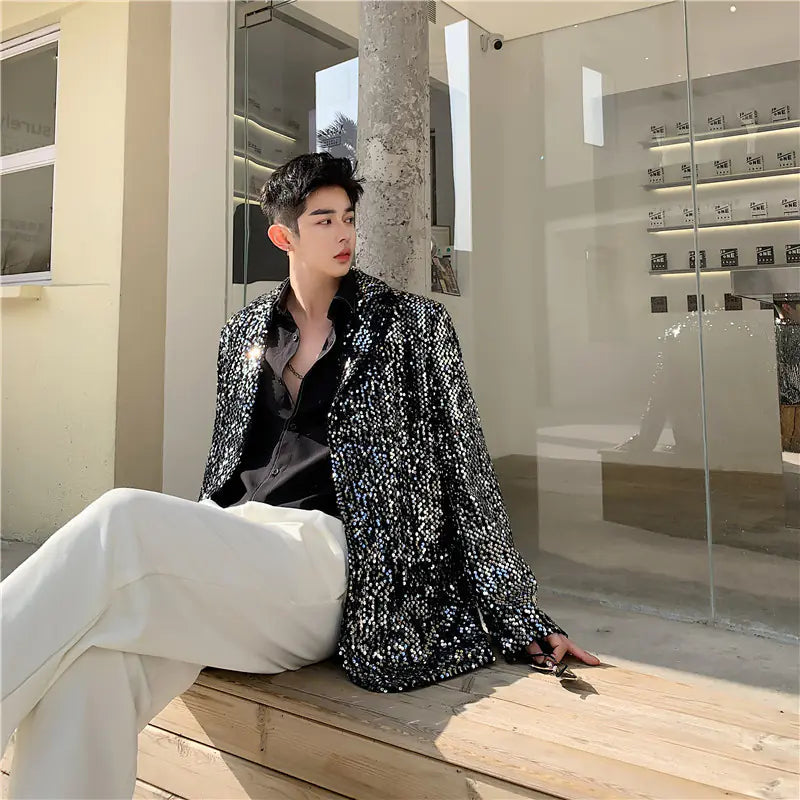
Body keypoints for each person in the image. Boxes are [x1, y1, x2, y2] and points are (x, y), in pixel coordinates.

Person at [0, 153, 599, 799]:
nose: (344, 233)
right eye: (323, 220)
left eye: (348, 217)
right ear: (283, 236)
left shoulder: (411, 325)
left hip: (332, 558)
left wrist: (516, 612)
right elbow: (228, 461)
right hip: (243, 546)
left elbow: (467, 469)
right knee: (91, 666)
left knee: (122, 518)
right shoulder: (244, 332)